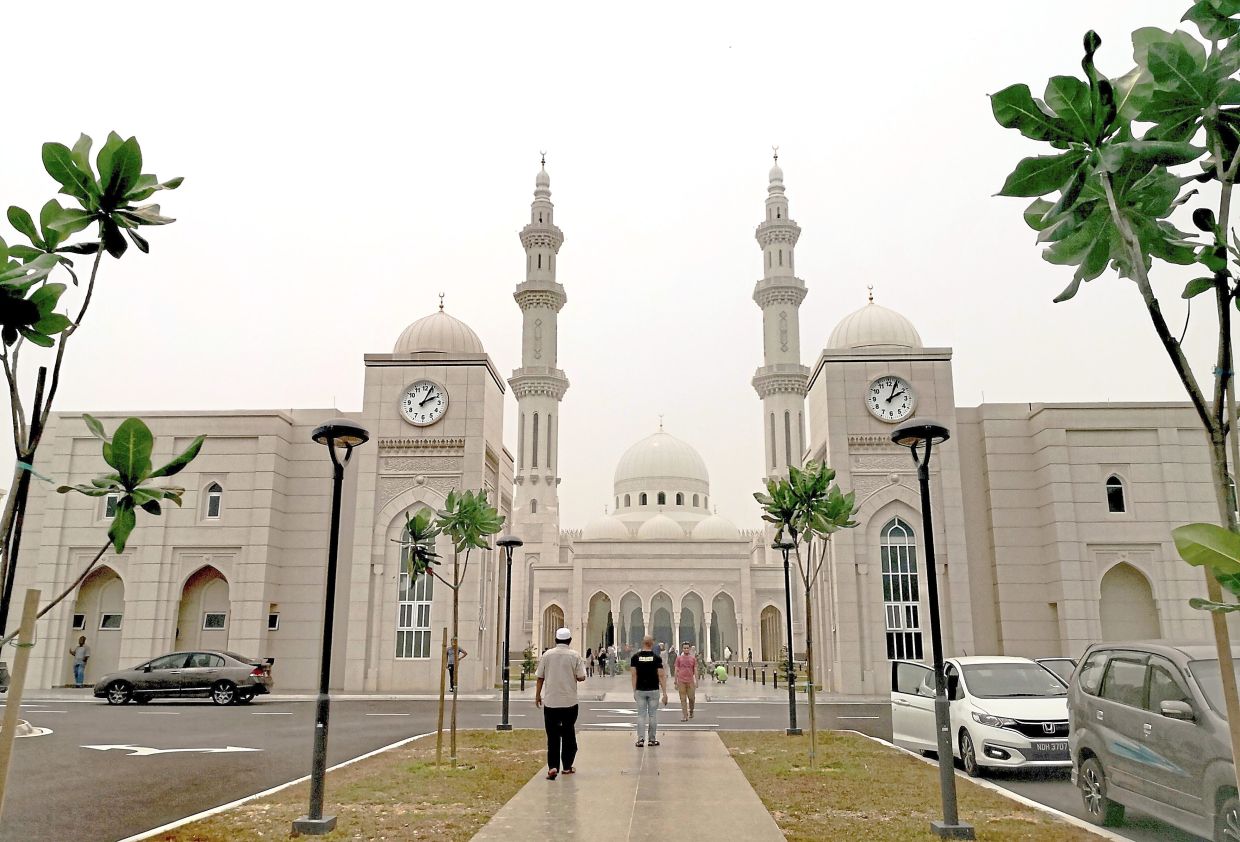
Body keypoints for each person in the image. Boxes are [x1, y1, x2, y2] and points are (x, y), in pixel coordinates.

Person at [535, 627, 586, 780]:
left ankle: (552, 767)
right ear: (569, 641)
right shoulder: (574, 655)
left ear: (556, 640)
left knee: (553, 736)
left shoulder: (547, 655)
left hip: (551, 702)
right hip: (569, 702)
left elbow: (540, 677)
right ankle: (567, 766)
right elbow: (581, 677)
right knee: (568, 733)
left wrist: (537, 695)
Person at [630, 635, 667, 747]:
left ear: (643, 643)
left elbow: (633, 675)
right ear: (652, 644)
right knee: (652, 715)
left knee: (641, 715)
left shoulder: (635, 658)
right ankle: (652, 739)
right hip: (653, 689)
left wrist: (634, 690)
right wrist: (665, 692)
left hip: (640, 689)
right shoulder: (656, 658)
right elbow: (661, 675)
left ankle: (640, 739)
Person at [673, 641, 698, 721]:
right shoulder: (679, 658)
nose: (686, 649)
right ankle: (685, 715)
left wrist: (696, 681)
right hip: (681, 681)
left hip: (690, 681)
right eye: (684, 648)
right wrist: (675, 681)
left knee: (691, 698)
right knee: (683, 699)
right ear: (682, 649)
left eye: (687, 648)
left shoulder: (693, 658)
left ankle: (691, 711)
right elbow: (676, 669)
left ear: (690, 649)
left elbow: (695, 669)